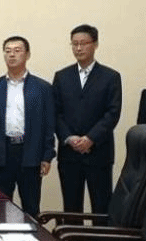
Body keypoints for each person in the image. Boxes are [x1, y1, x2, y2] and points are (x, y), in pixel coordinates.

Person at [0, 36, 55, 217]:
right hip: (1, 153)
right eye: (8, 51)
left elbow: (49, 124)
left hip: (30, 153)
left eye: (17, 51)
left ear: (27, 55)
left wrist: (47, 155)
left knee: (31, 207)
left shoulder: (42, 88)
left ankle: (31, 236)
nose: (12, 55)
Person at [52, 24, 122, 215]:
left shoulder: (111, 77)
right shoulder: (62, 76)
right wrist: (69, 138)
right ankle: (73, 237)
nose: (79, 48)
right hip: (69, 154)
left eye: (83, 43)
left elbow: (112, 113)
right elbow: (56, 113)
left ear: (95, 44)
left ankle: (101, 237)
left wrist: (91, 138)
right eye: (74, 44)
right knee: (71, 208)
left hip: (99, 153)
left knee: (101, 207)